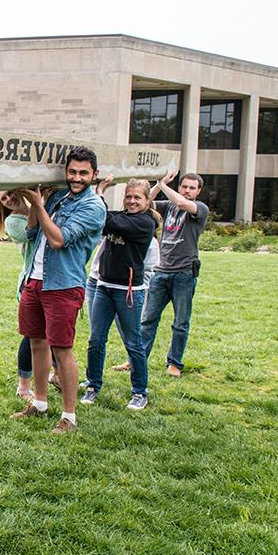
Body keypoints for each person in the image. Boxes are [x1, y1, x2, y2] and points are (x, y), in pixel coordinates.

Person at [11, 147, 106, 434]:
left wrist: (38, 205)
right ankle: (39, 403)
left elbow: (58, 240)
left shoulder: (93, 207)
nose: (76, 178)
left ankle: (69, 416)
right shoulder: (57, 196)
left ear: (94, 175)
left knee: (62, 350)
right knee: (36, 342)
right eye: (72, 172)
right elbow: (31, 233)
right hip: (35, 279)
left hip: (64, 285)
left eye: (83, 173)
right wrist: (33, 204)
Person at [81, 179, 160, 409]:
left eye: (137, 197)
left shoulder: (145, 223)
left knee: (133, 343)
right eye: (128, 196)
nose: (132, 201)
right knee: (96, 340)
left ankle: (139, 392)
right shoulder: (121, 217)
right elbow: (103, 219)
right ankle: (93, 385)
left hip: (129, 293)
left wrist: (100, 191)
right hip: (104, 287)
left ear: (147, 200)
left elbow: (105, 218)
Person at [139, 171, 209, 378]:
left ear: (198, 191)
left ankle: (174, 364)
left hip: (184, 274)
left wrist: (163, 184)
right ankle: (138, 360)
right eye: (184, 186)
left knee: (180, 323)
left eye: (191, 188)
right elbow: (145, 202)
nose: (187, 191)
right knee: (147, 320)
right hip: (161, 272)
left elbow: (183, 204)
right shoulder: (167, 206)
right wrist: (159, 185)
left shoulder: (200, 208)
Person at [0, 190, 35, 398]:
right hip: (29, 282)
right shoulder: (13, 222)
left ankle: (55, 373)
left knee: (51, 335)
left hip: (51, 280)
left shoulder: (39, 208)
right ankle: (24, 386)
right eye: (4, 199)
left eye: (10, 193)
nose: (9, 198)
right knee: (31, 335)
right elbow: (32, 232)